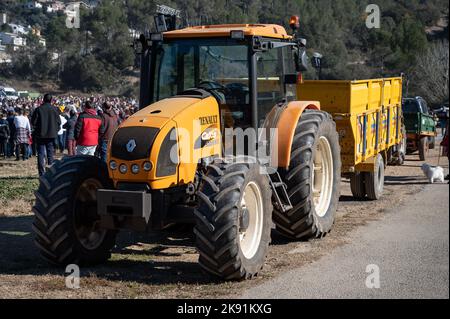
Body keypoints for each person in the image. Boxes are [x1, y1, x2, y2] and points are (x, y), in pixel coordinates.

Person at [31, 94, 61, 176]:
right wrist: (55, 131)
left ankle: (41, 173)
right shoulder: (54, 109)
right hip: (51, 134)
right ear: (51, 100)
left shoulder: (38, 109)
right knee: (50, 153)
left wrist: (37, 129)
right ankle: (50, 172)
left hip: (41, 134)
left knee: (41, 153)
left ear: (43, 100)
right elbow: (59, 123)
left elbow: (33, 122)